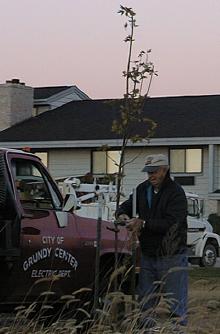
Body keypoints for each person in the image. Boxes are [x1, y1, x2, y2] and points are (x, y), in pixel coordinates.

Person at [116, 154, 188, 330]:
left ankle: (177, 331)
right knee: (145, 303)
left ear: (165, 170)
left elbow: (173, 223)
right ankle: (146, 331)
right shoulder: (142, 189)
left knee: (175, 304)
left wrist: (144, 223)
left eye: (154, 172)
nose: (151, 176)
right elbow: (126, 205)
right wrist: (121, 214)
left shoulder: (176, 193)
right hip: (148, 254)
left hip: (172, 256)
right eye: (148, 172)